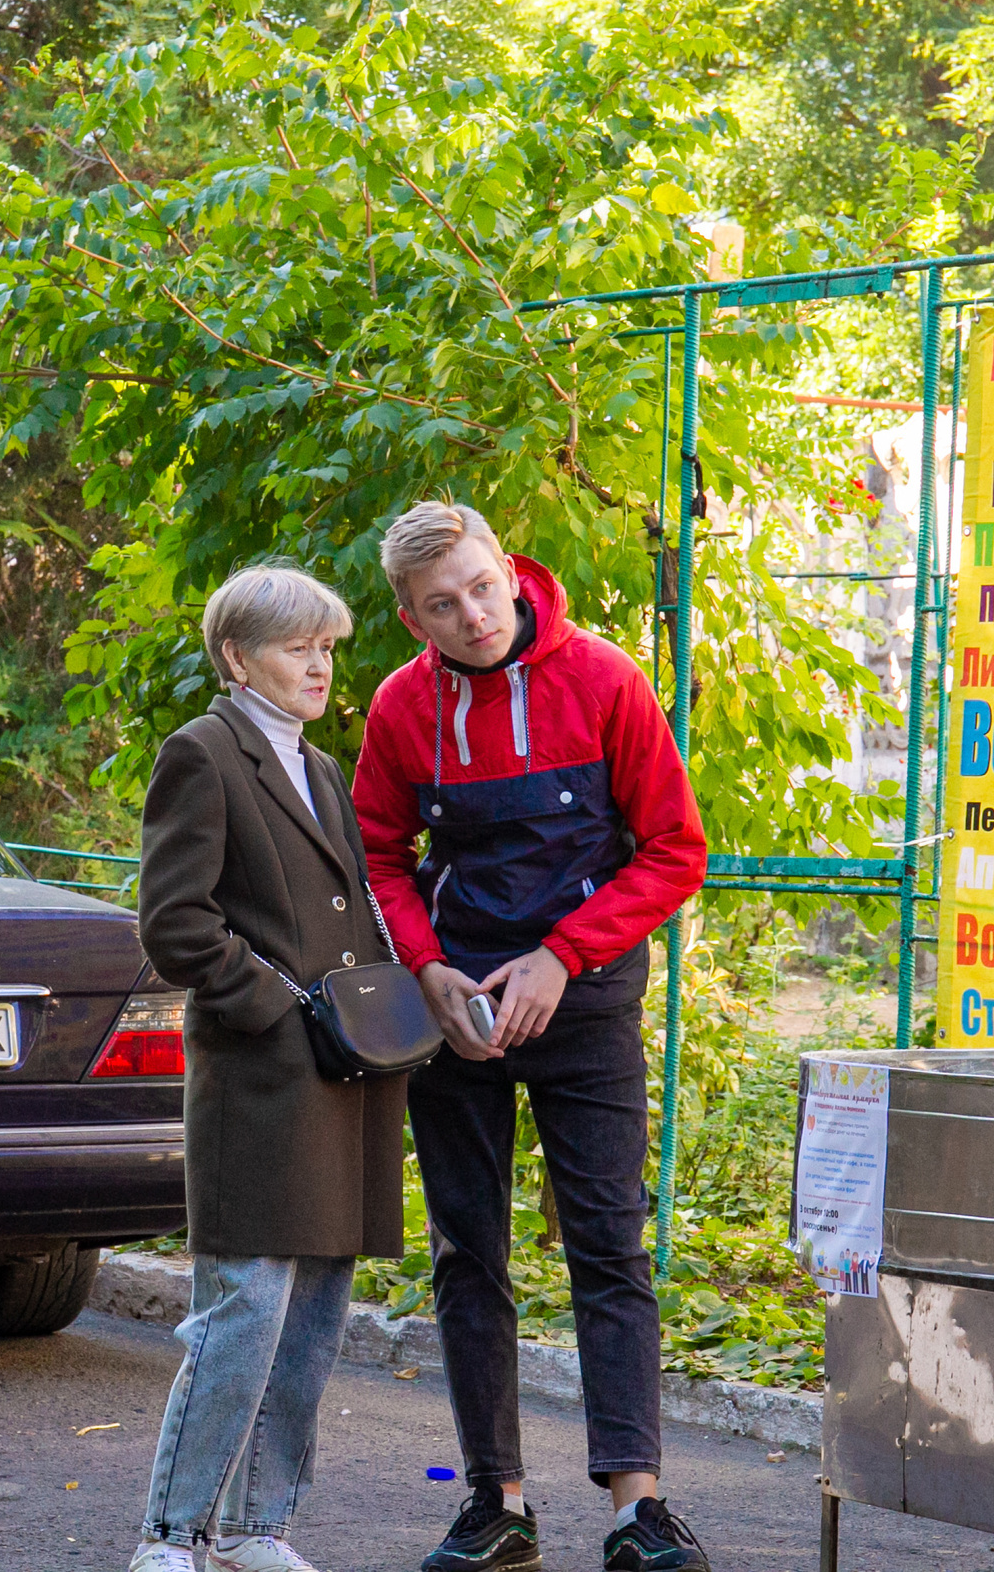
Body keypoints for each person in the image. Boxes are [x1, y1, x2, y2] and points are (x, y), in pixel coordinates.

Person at [351, 502, 712, 1572]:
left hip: (586, 1003)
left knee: (610, 1245)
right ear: (411, 620)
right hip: (458, 1013)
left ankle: (636, 1512)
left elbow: (672, 850)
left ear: (506, 568)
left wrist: (564, 956)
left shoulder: (603, 680)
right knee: (469, 1252)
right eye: (438, 606)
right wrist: (430, 974)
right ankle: (494, 1504)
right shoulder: (400, 710)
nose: (470, 617)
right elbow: (379, 855)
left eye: (476, 587)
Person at [129, 562, 408, 1572]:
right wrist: (282, 1010)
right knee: (241, 1315)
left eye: (328, 648)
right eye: (300, 648)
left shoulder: (320, 768)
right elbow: (175, 926)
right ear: (239, 656)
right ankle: (169, 1535)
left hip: (343, 1082)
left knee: (315, 1318)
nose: (321, 666)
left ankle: (257, 1528)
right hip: (258, 1081)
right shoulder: (201, 754)